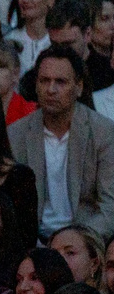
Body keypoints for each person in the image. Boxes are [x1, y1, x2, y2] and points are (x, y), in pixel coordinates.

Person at [9, 47, 114, 239]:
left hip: (86, 238)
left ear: (79, 87)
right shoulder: (16, 134)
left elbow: (110, 206)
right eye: (44, 81)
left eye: (61, 82)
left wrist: (76, 240)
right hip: (32, 242)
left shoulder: (103, 132)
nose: (51, 89)